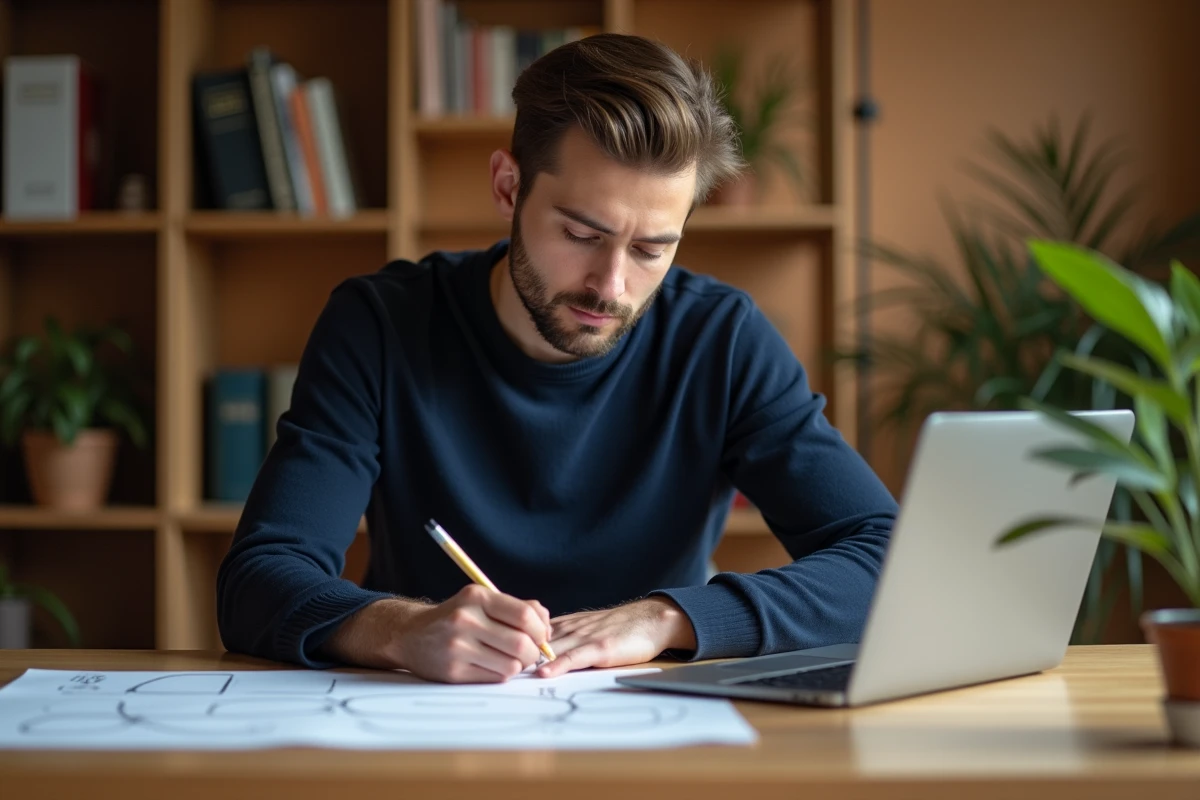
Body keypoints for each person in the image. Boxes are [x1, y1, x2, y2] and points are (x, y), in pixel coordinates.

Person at [216, 33, 898, 684]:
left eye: (651, 249)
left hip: (653, 723)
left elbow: (888, 558)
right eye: (581, 233)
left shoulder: (722, 340)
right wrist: (399, 629)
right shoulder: (380, 324)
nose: (612, 285)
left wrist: (671, 618)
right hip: (428, 719)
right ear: (508, 185)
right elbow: (260, 577)